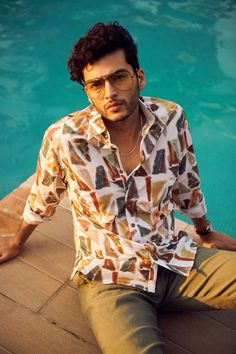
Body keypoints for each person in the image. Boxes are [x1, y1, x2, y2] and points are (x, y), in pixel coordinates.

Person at [0, 22, 236, 354]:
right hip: (110, 280)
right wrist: (18, 239)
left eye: (119, 77)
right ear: (87, 91)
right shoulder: (65, 138)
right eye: (96, 84)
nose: (109, 92)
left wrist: (205, 230)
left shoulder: (172, 118)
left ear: (139, 77)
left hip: (173, 259)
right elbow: (44, 194)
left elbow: (187, 181)